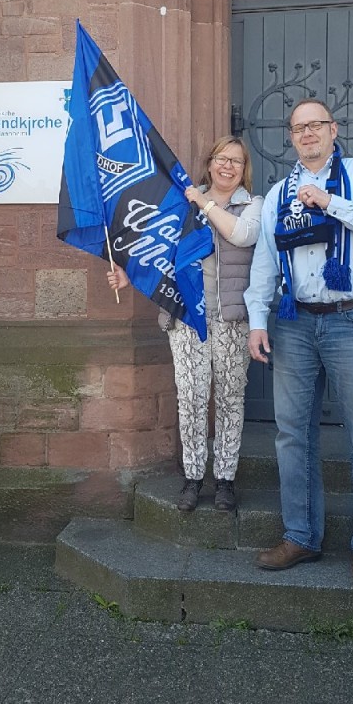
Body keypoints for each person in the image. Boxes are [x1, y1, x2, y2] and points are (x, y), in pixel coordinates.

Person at [245, 99, 353, 588]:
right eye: (298, 128)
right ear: (291, 137)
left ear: (333, 129)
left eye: (315, 124)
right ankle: (300, 536)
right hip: (294, 323)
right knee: (293, 433)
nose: (307, 133)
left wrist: (331, 202)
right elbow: (266, 260)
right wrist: (257, 319)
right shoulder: (278, 193)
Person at [107, 136, 263, 512]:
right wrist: (129, 275)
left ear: (245, 171)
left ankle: (225, 479)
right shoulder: (181, 203)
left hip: (231, 318)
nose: (228, 167)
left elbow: (243, 234)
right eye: (221, 159)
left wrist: (203, 202)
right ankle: (193, 477)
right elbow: (156, 248)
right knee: (191, 399)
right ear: (209, 163)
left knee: (229, 399)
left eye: (236, 162)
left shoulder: (252, 205)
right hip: (187, 315)